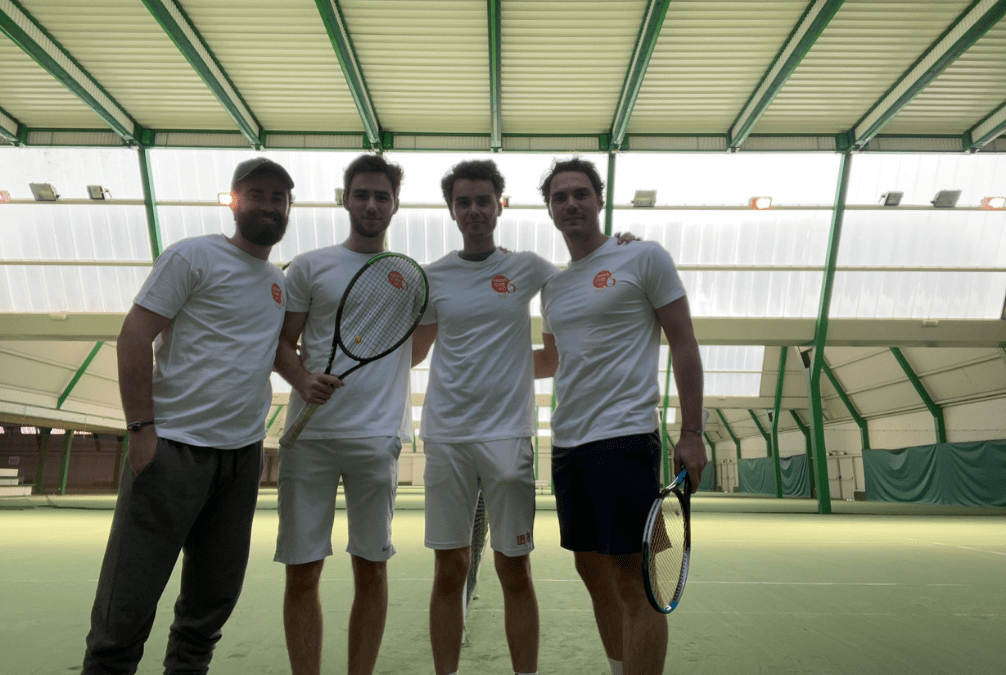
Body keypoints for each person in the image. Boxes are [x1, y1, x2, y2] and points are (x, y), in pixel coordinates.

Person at [82, 157, 295, 674]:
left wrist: (306, 379)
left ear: (290, 208)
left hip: (240, 461)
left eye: (278, 197)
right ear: (234, 201)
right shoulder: (192, 256)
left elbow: (268, 350)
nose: (268, 205)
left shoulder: (278, 283)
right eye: (257, 194)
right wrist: (141, 430)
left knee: (208, 609)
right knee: (127, 604)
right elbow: (134, 335)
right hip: (172, 452)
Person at [535, 157, 706, 675]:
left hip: (626, 441)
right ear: (549, 209)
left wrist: (692, 431)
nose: (570, 204)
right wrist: (478, 361)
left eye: (580, 193)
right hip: (567, 448)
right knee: (590, 569)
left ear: (599, 199)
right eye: (559, 197)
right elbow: (552, 359)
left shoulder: (645, 257)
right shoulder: (553, 288)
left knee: (634, 582)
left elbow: (683, 341)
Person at [411, 159, 552, 675]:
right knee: (449, 570)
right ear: (452, 210)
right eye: (463, 202)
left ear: (500, 205)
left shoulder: (529, 268)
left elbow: (582, 284)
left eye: (483, 201)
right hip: (447, 438)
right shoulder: (433, 277)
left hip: (509, 439)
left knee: (515, 569)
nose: (474, 210)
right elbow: (412, 354)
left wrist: (622, 245)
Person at [274, 153, 411, 675]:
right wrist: (302, 379)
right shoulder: (310, 266)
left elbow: (412, 348)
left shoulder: (409, 275)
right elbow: (282, 343)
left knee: (371, 571)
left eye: (381, 195)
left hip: (377, 441)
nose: (371, 204)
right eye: (362, 194)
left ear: (395, 203)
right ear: (345, 198)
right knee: (302, 574)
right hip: (308, 441)